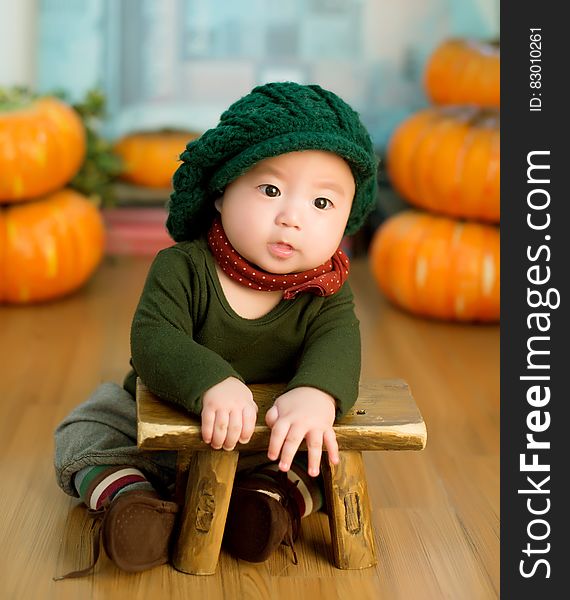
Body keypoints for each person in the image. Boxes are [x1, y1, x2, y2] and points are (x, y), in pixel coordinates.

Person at [53, 81, 378, 577]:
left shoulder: (327, 288)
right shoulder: (184, 267)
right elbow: (154, 340)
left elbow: (340, 346)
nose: (291, 217)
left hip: (268, 441)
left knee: (322, 457)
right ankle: (131, 501)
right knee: (86, 429)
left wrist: (316, 393)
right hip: (160, 425)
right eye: (270, 190)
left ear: (348, 218)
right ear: (222, 193)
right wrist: (211, 381)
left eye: (322, 204)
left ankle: (267, 504)